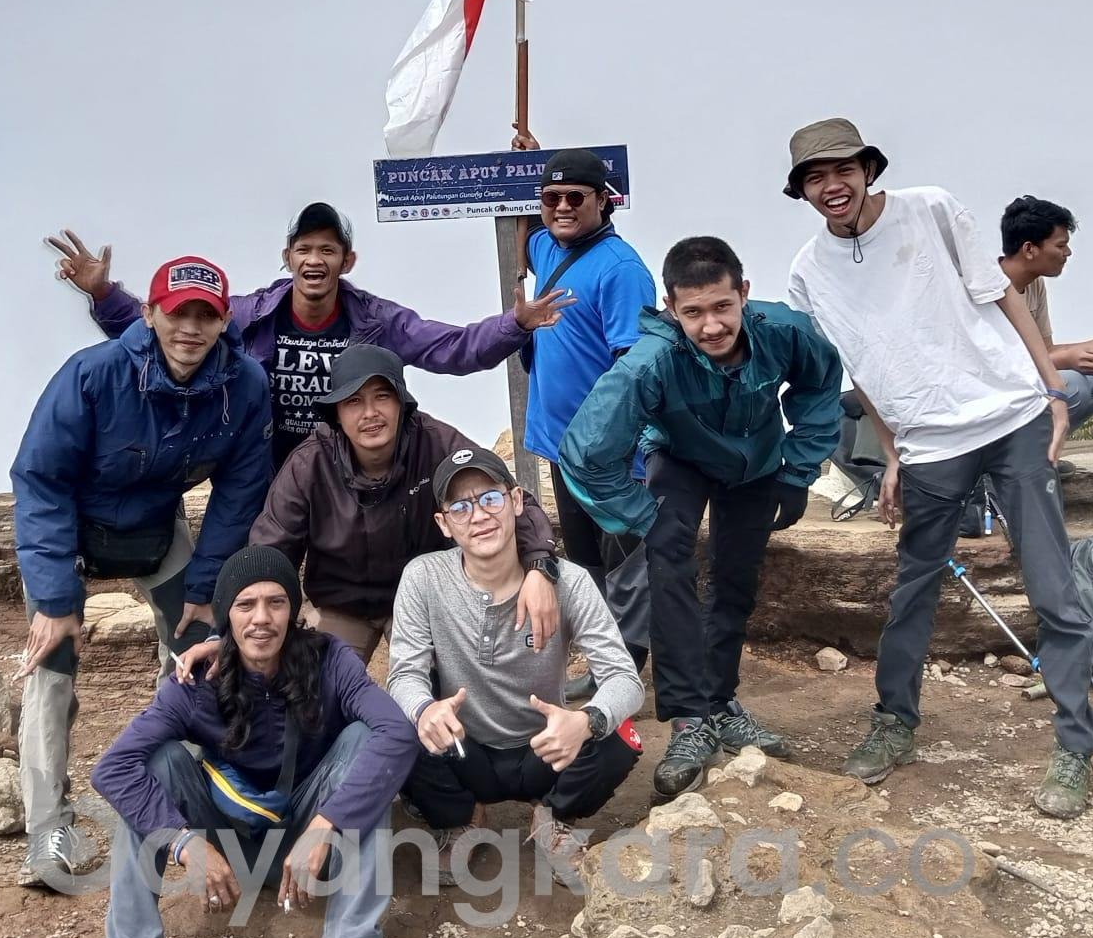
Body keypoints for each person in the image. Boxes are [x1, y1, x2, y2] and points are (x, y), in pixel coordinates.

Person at [783, 119, 1093, 819]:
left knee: (1052, 584)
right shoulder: (807, 273)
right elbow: (859, 367)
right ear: (802, 190)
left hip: (1009, 415)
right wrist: (892, 450)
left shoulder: (929, 208)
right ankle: (896, 720)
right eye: (814, 176)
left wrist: (1049, 388)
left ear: (867, 169)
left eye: (842, 169)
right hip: (929, 443)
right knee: (913, 592)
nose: (831, 185)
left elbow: (1003, 295)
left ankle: (1076, 745)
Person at [11, 256, 274, 889]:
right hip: (72, 532)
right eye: (177, 312)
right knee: (53, 667)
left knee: (196, 652)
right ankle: (49, 826)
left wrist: (208, 589)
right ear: (150, 314)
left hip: (158, 532)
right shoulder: (93, 375)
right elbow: (40, 480)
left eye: (205, 315)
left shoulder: (244, 386)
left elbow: (239, 493)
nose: (190, 327)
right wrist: (55, 598)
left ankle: (176, 788)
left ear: (223, 321)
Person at [557, 237, 842, 798]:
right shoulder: (651, 362)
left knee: (735, 582)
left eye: (721, 307)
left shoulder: (785, 331)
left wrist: (797, 469)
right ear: (671, 309)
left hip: (757, 463)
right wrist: (640, 514)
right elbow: (585, 451)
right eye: (693, 313)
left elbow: (820, 385)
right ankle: (690, 721)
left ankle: (721, 703)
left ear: (744, 294)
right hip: (680, 458)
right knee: (670, 571)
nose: (711, 326)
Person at [83, 546, 418, 938]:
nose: (262, 618)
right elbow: (112, 769)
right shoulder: (193, 683)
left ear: (293, 611)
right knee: (159, 761)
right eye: (246, 605)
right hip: (226, 846)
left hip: (310, 844)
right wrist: (184, 843)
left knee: (365, 741)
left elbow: (398, 733)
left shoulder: (331, 661)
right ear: (226, 616)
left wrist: (326, 825)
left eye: (276, 602)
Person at [46, 202, 571, 471]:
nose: (314, 260)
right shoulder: (250, 313)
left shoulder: (376, 321)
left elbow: (450, 348)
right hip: (265, 464)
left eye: (327, 250)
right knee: (255, 575)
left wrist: (515, 324)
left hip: (345, 465)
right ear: (287, 257)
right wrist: (104, 294)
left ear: (348, 261)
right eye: (304, 249)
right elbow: (172, 332)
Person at [180, 345, 560, 669]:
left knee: (446, 685)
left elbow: (510, 501)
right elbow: (267, 552)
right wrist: (227, 635)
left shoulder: (437, 444)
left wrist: (540, 567)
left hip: (421, 602)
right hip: (339, 606)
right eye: (354, 401)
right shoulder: (309, 463)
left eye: (382, 396)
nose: (370, 413)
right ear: (336, 413)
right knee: (312, 694)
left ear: (402, 403)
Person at [386, 446, 644, 884]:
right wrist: (426, 709)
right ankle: (462, 816)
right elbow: (404, 673)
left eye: (490, 498)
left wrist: (585, 722)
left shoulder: (570, 581)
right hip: (464, 746)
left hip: (547, 748)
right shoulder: (423, 577)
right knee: (396, 721)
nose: (479, 515)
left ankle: (554, 818)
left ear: (517, 502)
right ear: (443, 524)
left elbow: (625, 678)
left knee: (619, 729)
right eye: (460, 507)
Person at [510, 142, 657, 696]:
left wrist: (616, 445)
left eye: (577, 197)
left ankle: (624, 674)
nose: (563, 207)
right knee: (587, 566)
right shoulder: (548, 244)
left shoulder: (622, 271)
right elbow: (528, 238)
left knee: (624, 569)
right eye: (552, 198)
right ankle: (602, 664)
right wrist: (534, 150)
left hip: (608, 455)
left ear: (605, 201)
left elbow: (635, 363)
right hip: (559, 444)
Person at [998, 195, 1093, 434]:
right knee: (1071, 385)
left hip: (1023, 380)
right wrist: (1068, 359)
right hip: (993, 389)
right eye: (1060, 245)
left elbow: (1045, 350)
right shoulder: (987, 287)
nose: (1068, 252)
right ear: (1029, 249)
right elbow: (997, 365)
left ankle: (1043, 455)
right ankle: (1002, 466)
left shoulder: (1034, 285)